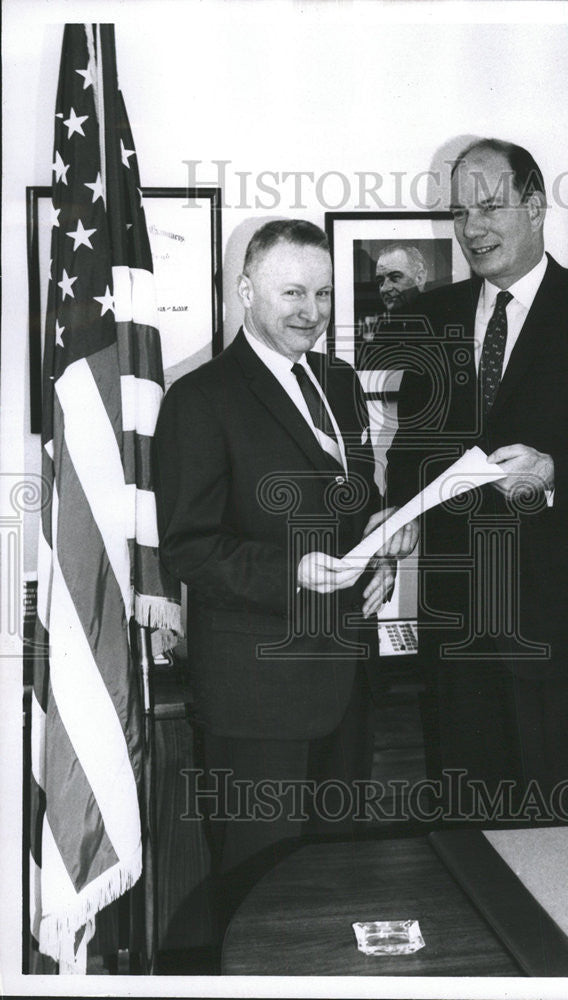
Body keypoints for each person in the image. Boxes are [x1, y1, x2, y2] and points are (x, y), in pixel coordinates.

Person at [384, 139, 568, 824]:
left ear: (534, 206)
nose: (472, 228)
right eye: (460, 211)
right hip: (456, 630)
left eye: (488, 206)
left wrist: (556, 474)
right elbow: (410, 456)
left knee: (564, 830)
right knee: (468, 830)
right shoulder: (427, 318)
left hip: (557, 631)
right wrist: (398, 519)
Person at [153, 219, 410, 934]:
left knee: (331, 890)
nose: (311, 310)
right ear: (244, 291)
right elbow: (189, 548)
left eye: (323, 293)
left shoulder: (336, 381)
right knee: (258, 898)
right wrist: (293, 573)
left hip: (347, 683)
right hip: (256, 696)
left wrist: (380, 551)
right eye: (292, 291)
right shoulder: (198, 400)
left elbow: (351, 504)